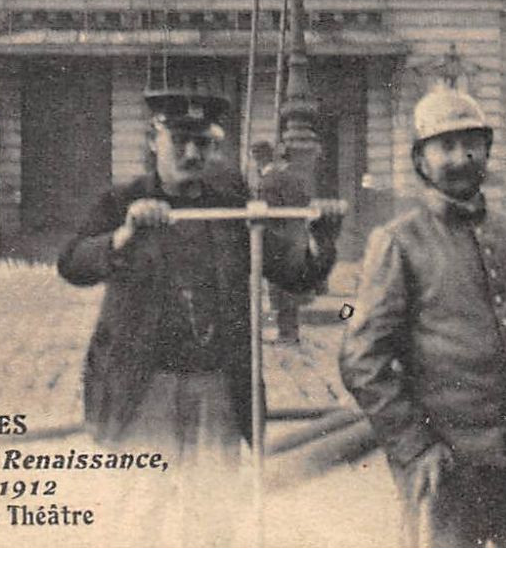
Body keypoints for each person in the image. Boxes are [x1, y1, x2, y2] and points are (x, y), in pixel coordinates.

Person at [57, 89, 339, 543]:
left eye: (203, 144)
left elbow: (295, 275)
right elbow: (71, 264)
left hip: (216, 388)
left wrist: (322, 238)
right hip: (144, 388)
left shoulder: (232, 205)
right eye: (180, 141)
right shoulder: (122, 200)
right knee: (136, 519)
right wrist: (124, 234)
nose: (192, 154)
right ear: (155, 140)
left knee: (213, 523)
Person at [340, 86, 506, 547]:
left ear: (488, 150)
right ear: (421, 161)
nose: (461, 157)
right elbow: (362, 360)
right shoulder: (398, 242)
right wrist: (416, 447)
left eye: (471, 143)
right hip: (447, 471)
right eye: (445, 146)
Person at [252, 139, 312, 345]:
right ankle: (289, 332)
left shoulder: (268, 181)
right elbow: (305, 201)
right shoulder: (293, 178)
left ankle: (286, 334)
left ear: (258, 160)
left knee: (280, 289)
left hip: (279, 240)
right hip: (296, 237)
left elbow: (269, 214)